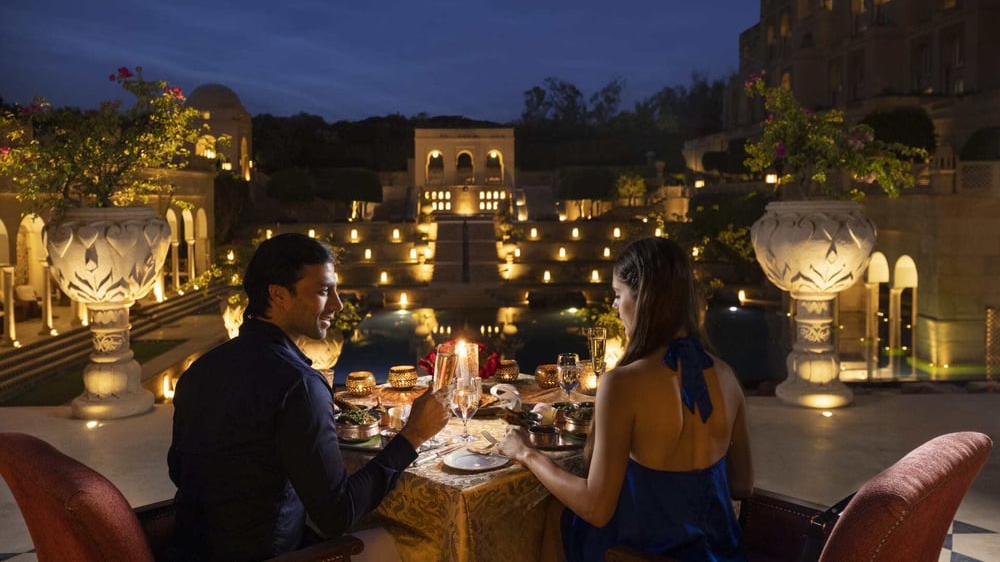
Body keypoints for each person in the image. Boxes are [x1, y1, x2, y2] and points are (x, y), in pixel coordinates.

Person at [167, 233, 449, 562]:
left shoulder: (199, 371)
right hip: (272, 555)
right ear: (278, 295)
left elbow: (179, 470)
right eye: (323, 291)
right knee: (421, 543)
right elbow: (337, 515)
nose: (338, 305)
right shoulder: (299, 384)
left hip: (189, 551)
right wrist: (413, 434)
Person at [500, 236, 753, 562]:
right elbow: (742, 485)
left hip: (638, 554)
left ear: (643, 298)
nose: (616, 307)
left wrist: (526, 453)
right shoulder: (726, 375)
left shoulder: (623, 384)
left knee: (554, 510)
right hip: (720, 553)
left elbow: (596, 508)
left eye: (618, 295)